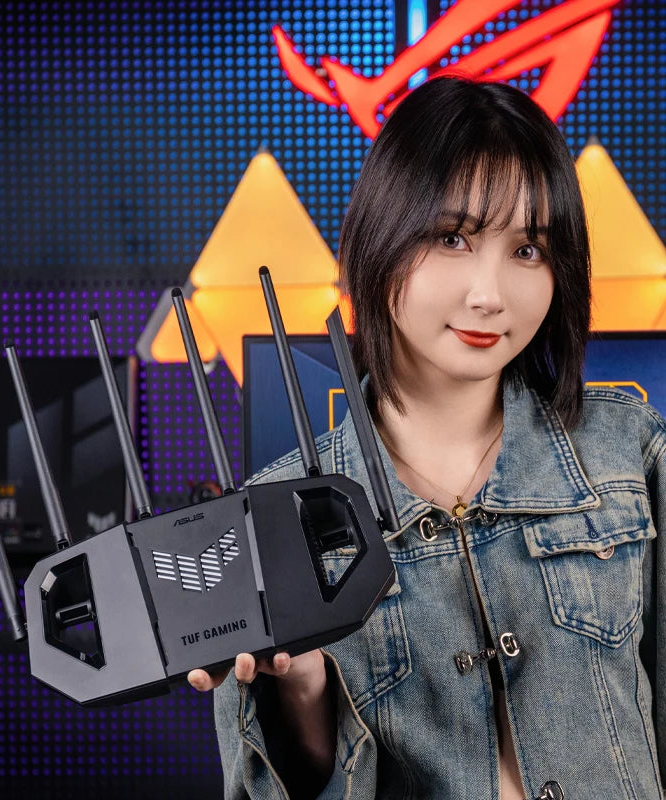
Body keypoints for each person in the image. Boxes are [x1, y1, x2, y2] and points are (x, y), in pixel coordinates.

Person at [188, 76, 665, 799]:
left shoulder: (628, 449)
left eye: (528, 250)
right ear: (381, 237)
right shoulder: (274, 515)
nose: (490, 295)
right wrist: (303, 695)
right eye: (452, 239)